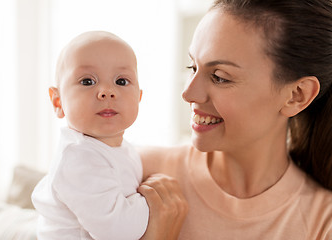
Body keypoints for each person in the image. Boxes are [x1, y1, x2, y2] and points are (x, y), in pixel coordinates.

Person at [138, 0, 332, 239]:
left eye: (220, 77)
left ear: (296, 95)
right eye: (192, 66)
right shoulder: (135, 173)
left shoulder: (322, 225)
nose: (188, 93)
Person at [31, 31, 149, 240]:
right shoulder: (78, 158)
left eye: (121, 81)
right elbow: (121, 232)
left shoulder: (123, 149)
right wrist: (151, 197)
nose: (107, 91)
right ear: (58, 102)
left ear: (139, 97)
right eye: (87, 81)